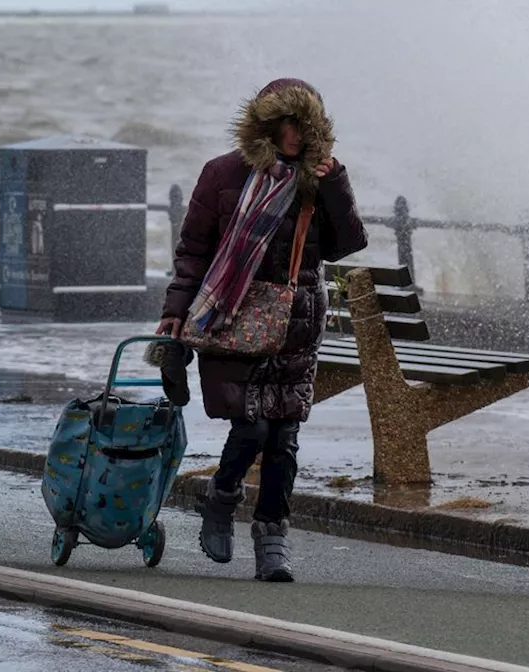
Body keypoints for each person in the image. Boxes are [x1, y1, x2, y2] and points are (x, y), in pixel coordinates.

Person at [157, 78, 368, 582]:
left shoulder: (318, 178)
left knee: (284, 438)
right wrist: (175, 316)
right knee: (250, 426)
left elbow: (347, 244)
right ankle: (222, 497)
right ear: (268, 125)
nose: (297, 134)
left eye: (306, 124)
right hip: (231, 314)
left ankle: (273, 539)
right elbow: (193, 252)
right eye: (288, 124)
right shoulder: (223, 173)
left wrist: (334, 181)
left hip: (298, 320)